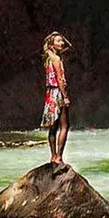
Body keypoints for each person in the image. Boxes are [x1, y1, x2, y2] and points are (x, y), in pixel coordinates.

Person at [40, 31, 72, 164]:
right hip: (58, 93)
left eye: (62, 40)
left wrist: (56, 37)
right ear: (52, 45)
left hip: (50, 94)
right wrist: (65, 96)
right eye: (59, 41)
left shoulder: (48, 57)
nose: (62, 43)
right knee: (64, 126)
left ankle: (53, 156)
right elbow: (59, 78)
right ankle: (59, 156)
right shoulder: (57, 59)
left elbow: (68, 46)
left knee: (53, 127)